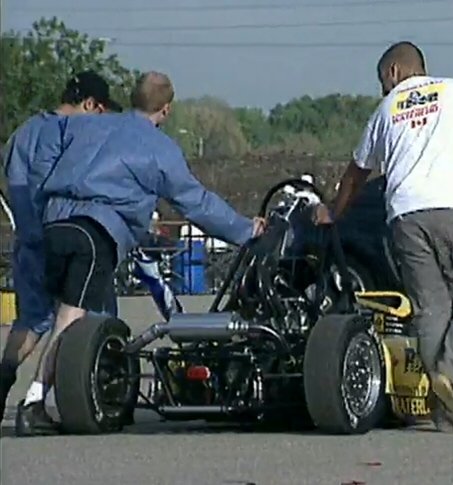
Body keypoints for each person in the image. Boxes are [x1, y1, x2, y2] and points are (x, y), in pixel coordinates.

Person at [15, 71, 265, 435]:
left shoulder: (83, 126)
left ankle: (90, 389)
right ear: (165, 110)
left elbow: (40, 160)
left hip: (53, 226)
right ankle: (34, 403)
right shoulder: (160, 149)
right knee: (69, 324)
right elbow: (197, 204)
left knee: (44, 318)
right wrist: (245, 229)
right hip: (95, 235)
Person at [313, 42, 453, 432]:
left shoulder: (386, 110)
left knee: (430, 308)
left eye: (381, 80)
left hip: (405, 215)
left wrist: (333, 212)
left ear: (394, 73)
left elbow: (356, 173)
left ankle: (444, 414)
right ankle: (450, 375)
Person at [0, 71, 122, 422]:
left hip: (29, 241)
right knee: (85, 319)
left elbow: (16, 187)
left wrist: (30, 233)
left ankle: (4, 377)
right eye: (100, 110)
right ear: (88, 104)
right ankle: (43, 401)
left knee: (32, 320)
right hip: (72, 236)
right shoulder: (78, 135)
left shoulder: (23, 133)